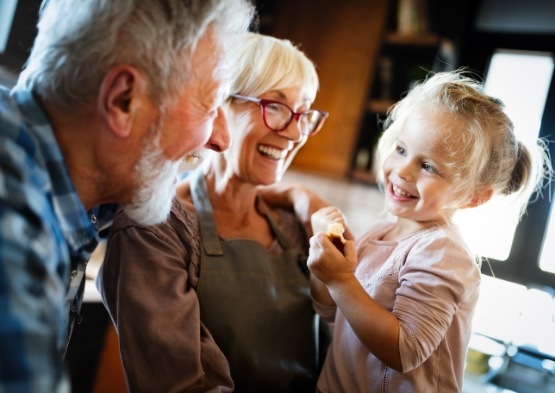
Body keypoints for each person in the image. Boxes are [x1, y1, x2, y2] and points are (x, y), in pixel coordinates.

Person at [0, 0, 254, 392]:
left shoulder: (65, 198)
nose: (220, 139)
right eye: (211, 102)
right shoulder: (12, 226)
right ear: (123, 100)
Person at [98, 32, 330, 392]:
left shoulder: (300, 227)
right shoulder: (155, 227)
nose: (296, 132)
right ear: (220, 103)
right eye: (277, 107)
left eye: (304, 113)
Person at [307, 70, 551, 392]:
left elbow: (405, 350)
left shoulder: (442, 252)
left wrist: (341, 280)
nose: (402, 171)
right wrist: (324, 261)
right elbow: (326, 308)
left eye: (428, 167)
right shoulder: (376, 234)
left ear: (474, 196)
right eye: (402, 150)